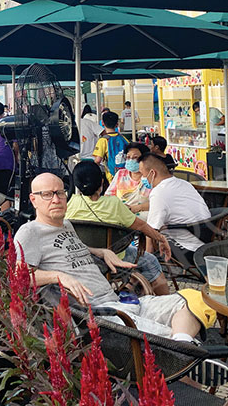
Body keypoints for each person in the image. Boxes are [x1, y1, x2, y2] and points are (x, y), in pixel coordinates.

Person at [14, 172, 202, 340]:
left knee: (195, 301)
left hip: (121, 302)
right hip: (104, 315)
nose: (56, 199)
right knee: (171, 335)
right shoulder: (30, 232)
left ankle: (182, 345)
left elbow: (72, 248)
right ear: (33, 200)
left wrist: (101, 252)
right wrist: (59, 276)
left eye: (60, 193)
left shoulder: (66, 224)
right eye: (47, 194)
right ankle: (182, 352)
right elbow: (19, 277)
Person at [67, 161, 172, 295]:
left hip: (82, 258)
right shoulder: (113, 203)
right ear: (101, 182)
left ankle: (129, 288)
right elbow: (141, 226)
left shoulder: (70, 203)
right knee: (150, 261)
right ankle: (166, 301)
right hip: (116, 258)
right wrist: (161, 239)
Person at [140, 154, 211, 261]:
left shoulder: (159, 192)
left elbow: (151, 231)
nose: (142, 178)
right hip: (206, 243)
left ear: (152, 173)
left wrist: (147, 260)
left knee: (140, 232)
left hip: (187, 249)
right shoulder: (184, 184)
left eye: (142, 174)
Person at [104, 142, 151, 213]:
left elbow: (157, 202)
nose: (131, 160)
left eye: (135, 157)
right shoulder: (121, 174)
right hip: (120, 214)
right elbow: (108, 195)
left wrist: (135, 208)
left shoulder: (151, 176)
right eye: (128, 157)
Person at [93, 110, 128, 182]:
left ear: (102, 123)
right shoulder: (123, 138)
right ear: (117, 124)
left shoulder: (103, 140)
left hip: (112, 176)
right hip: (125, 174)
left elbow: (98, 160)